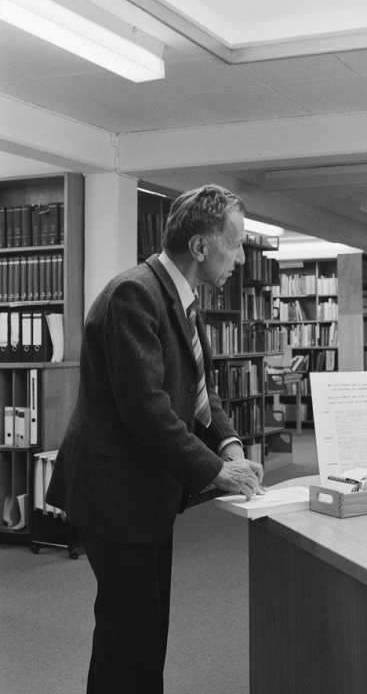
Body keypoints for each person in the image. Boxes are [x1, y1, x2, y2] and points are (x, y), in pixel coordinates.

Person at [46, 184, 265, 694]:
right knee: (128, 636)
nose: (239, 258)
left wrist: (229, 444)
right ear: (201, 247)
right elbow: (148, 409)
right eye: (234, 245)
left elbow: (198, 394)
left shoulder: (181, 300)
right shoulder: (134, 294)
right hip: (114, 492)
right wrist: (215, 471)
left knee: (147, 630)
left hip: (145, 491)